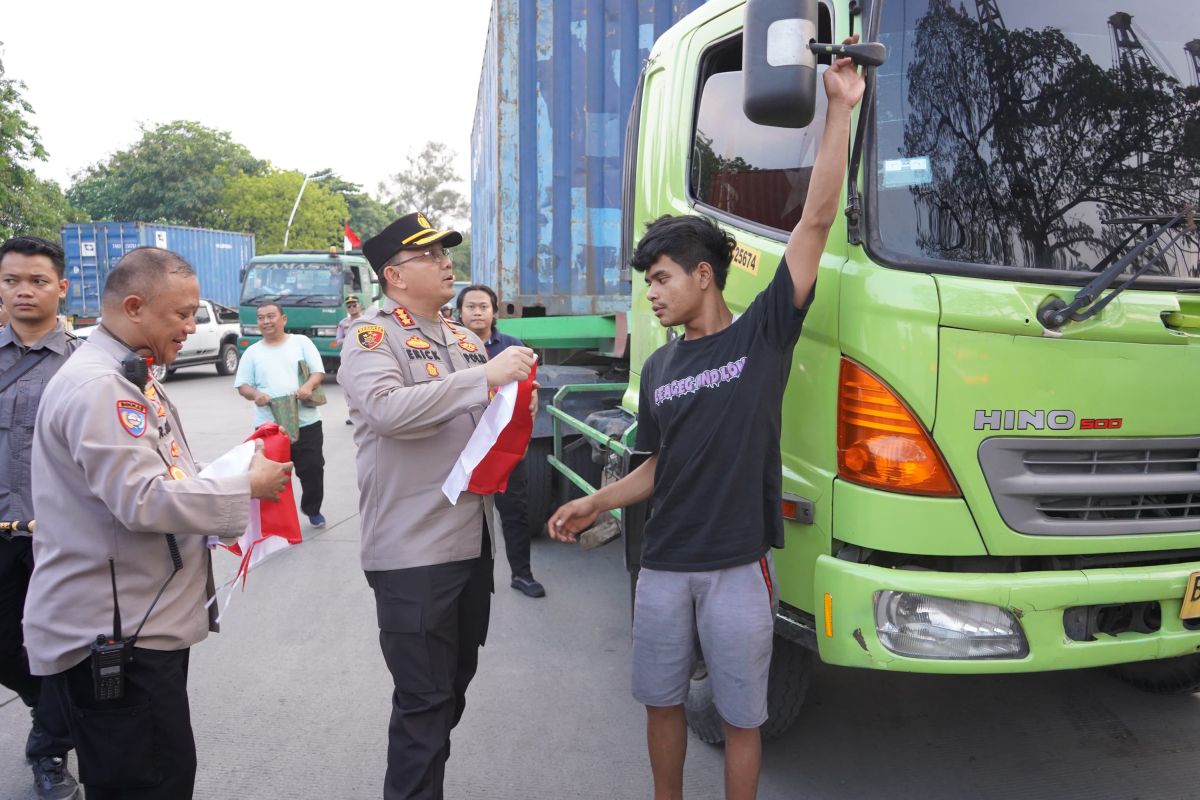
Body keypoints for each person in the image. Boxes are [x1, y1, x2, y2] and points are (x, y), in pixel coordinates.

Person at [548, 46, 865, 800]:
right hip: (663, 568)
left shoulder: (762, 335)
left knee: (742, 717)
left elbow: (816, 218)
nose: (651, 294)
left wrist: (840, 107)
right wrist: (596, 499)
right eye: (646, 282)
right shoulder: (659, 369)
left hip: (737, 571)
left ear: (703, 276)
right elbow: (658, 467)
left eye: (660, 279)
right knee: (660, 704)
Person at [24, 246, 293, 800]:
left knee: (158, 771)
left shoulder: (126, 371)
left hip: (137, 622)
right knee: (145, 782)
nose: (191, 326)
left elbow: (165, 471)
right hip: (118, 633)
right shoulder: (101, 385)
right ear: (134, 306)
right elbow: (142, 499)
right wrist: (246, 486)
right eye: (182, 314)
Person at [341, 211, 536, 799]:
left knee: (452, 687)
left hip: (468, 542)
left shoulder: (461, 337)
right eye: (431, 255)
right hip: (412, 551)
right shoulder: (373, 337)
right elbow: (386, 410)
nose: (447, 261)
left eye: (447, 251)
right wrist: (484, 381)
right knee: (425, 702)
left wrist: (509, 406)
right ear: (395, 275)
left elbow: (477, 423)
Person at [0, 236, 81, 799]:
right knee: (14, 651)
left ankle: (49, 753)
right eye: (11, 281)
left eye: (37, 280)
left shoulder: (88, 365)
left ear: (61, 288)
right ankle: (45, 705)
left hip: (57, 539)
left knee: (63, 651)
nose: (24, 290)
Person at [457, 284, 545, 598]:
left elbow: (529, 383)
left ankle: (522, 574)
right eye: (471, 306)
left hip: (504, 445)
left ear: (494, 311)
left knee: (514, 512)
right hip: (463, 446)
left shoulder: (512, 347)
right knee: (464, 514)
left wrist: (532, 395)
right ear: (460, 312)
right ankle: (463, 579)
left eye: (483, 306)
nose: (477, 312)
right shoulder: (451, 346)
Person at [235, 302, 328, 526]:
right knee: (271, 475)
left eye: (270, 316)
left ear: (283, 319)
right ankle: (279, 521)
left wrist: (307, 386)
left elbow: (318, 372)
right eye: (260, 318)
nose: (265, 321)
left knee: (312, 469)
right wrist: (255, 394)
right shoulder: (252, 352)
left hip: (307, 421)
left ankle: (312, 508)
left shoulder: (301, 342)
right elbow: (243, 386)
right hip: (269, 427)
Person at [334, 295, 364, 425]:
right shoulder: (343, 323)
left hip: (363, 359)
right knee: (349, 388)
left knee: (364, 387)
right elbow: (338, 341)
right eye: (349, 306)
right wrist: (351, 339)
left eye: (354, 305)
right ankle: (353, 415)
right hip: (347, 359)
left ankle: (366, 415)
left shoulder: (367, 321)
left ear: (360, 306)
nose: (352, 308)